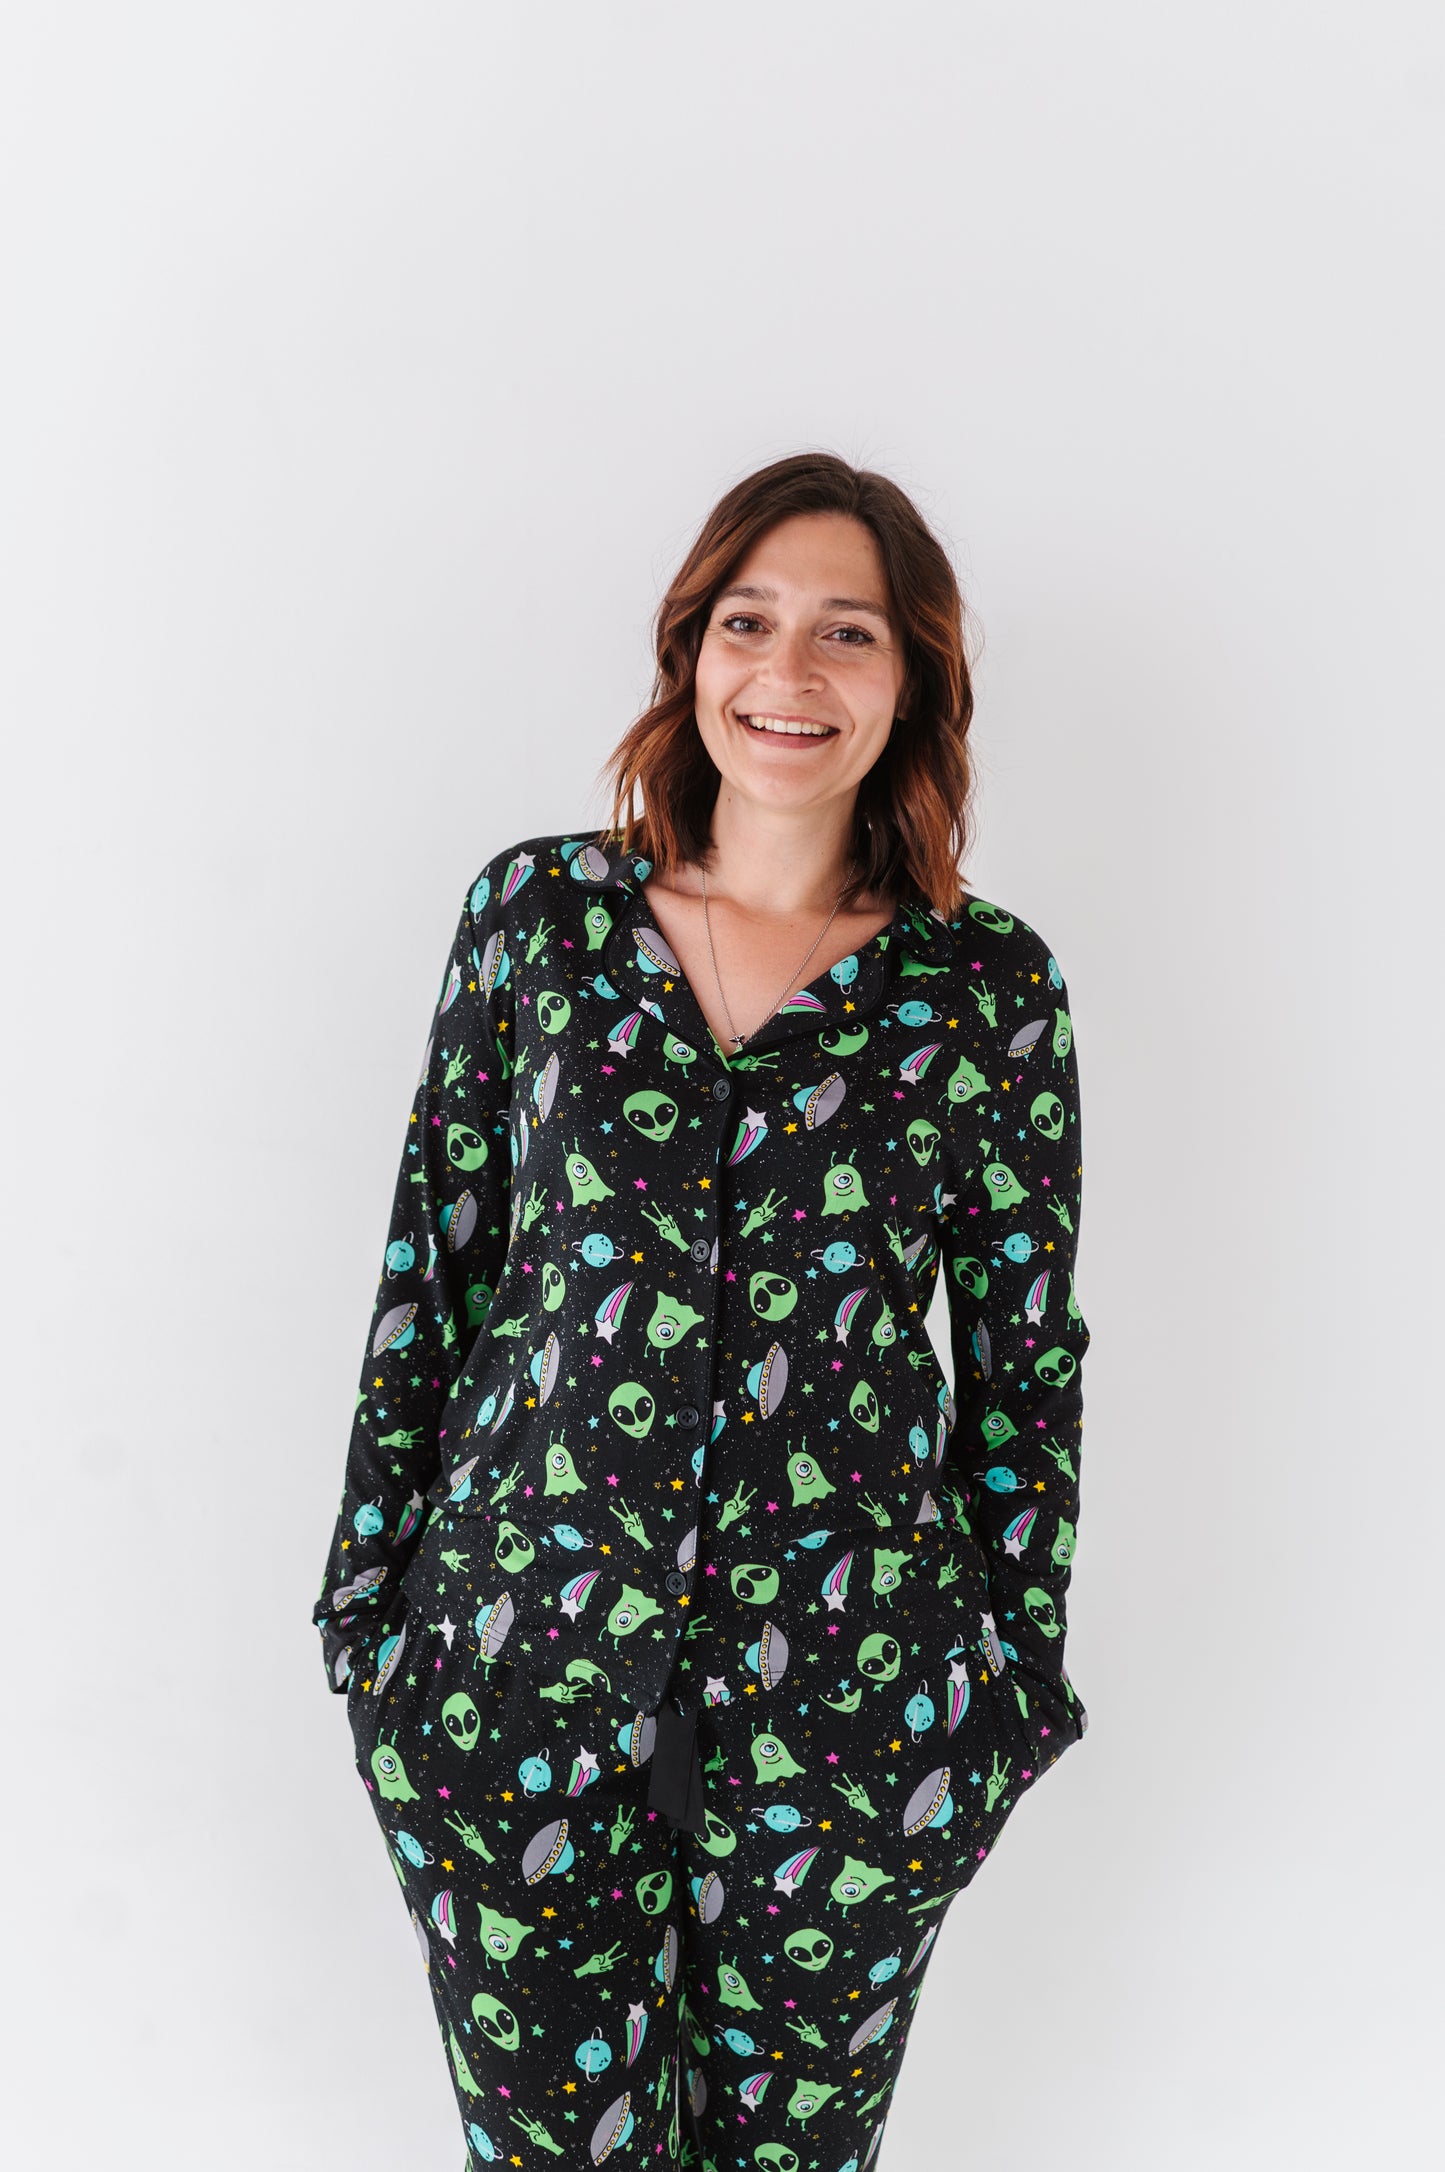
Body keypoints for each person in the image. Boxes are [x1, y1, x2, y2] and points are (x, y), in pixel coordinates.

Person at [312, 450, 1090, 2170]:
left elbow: (1025, 1364)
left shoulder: (984, 990)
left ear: (913, 680)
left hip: (856, 1719)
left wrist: (1006, 1696)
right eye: (749, 622)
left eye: (846, 632)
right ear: (691, 651)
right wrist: (369, 1624)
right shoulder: (538, 923)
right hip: (511, 1677)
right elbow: (433, 1274)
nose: (787, 671)